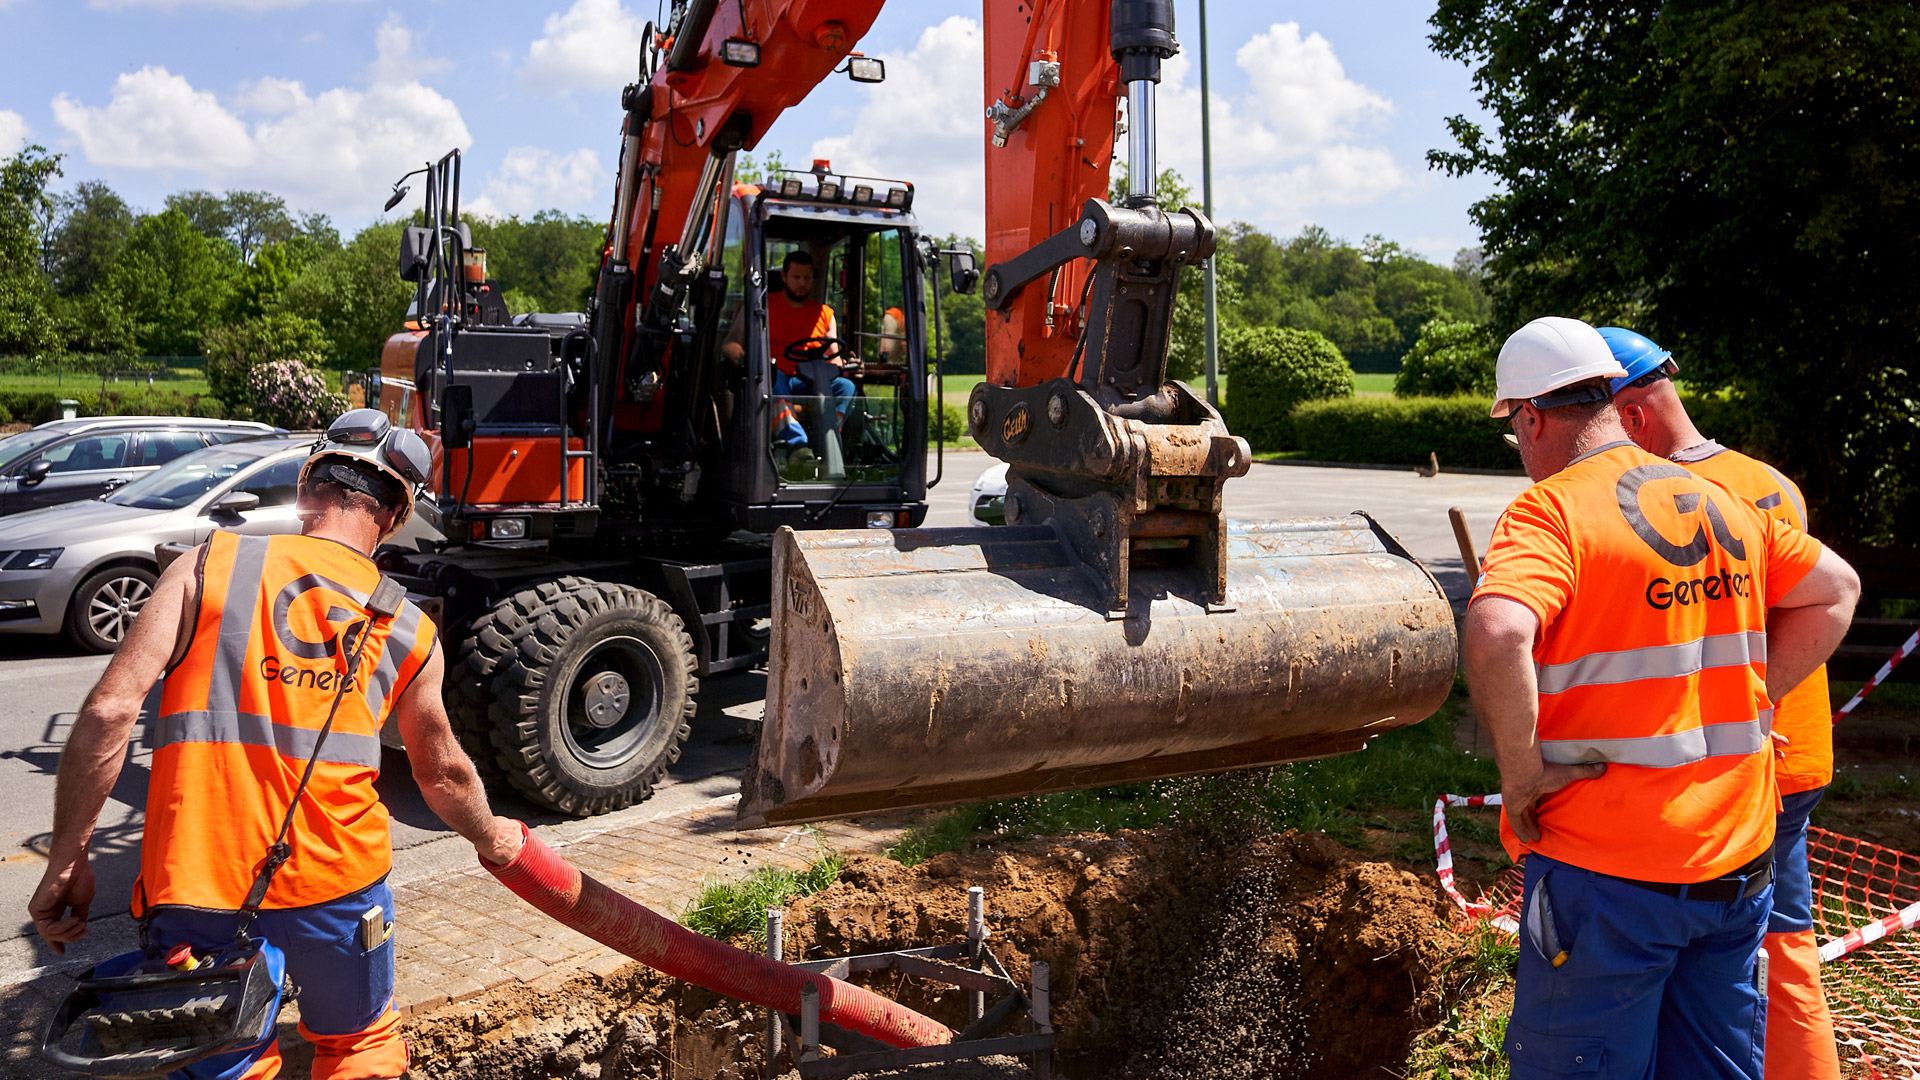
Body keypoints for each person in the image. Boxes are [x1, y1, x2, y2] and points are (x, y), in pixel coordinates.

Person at [29, 410, 524, 1080]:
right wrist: (494, 839)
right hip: (340, 886)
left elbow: (112, 711)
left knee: (222, 1058)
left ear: (305, 488)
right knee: (360, 1047)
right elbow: (444, 776)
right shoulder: (406, 625)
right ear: (394, 517)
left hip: (197, 885)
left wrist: (68, 859)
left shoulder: (210, 565)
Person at [1463, 316, 1859, 1079]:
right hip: (1735, 864)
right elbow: (1835, 590)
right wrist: (1751, 694)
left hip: (1609, 874)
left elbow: (1498, 632)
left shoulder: (1553, 511)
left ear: (1533, 416)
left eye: (1515, 431)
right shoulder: (1719, 501)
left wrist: (1522, 780)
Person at [1601, 325, 1842, 1080]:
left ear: (1633, 417)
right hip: (1792, 747)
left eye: (1596, 422)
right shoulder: (1770, 481)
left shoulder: (1665, 500)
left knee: (1734, 948)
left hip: (1738, 761)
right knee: (1784, 940)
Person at [723, 249, 856, 446]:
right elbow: (730, 344)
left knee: (846, 387)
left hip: (810, 381)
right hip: (775, 377)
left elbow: (833, 357)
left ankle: (828, 439)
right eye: (796, 277)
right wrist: (744, 357)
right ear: (784, 276)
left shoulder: (825, 314)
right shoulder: (761, 307)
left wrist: (849, 366)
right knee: (773, 381)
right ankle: (796, 445)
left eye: (807, 278)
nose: (802, 283)